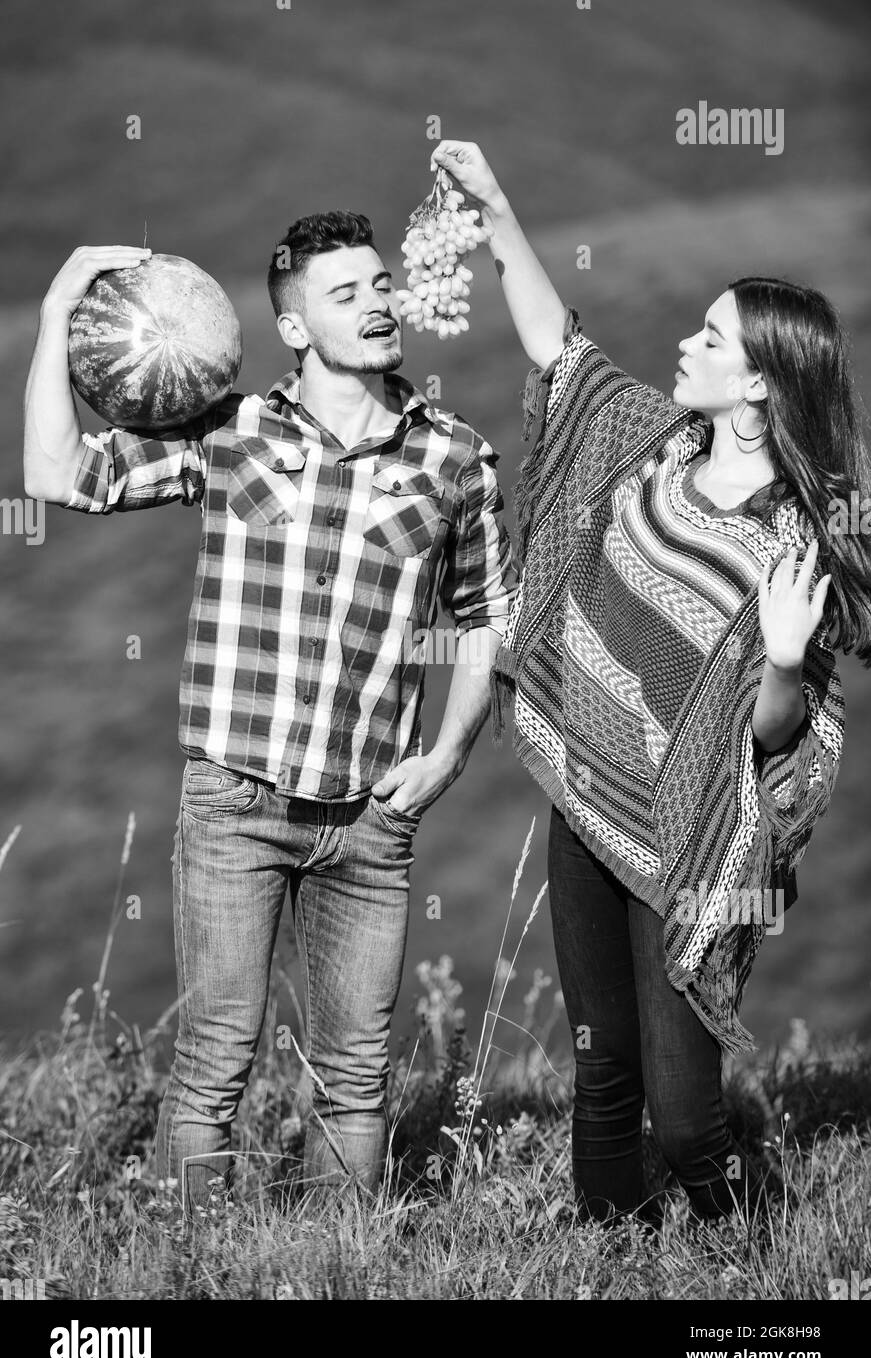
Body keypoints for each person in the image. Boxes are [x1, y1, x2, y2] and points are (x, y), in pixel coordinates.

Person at [23, 213, 517, 1214]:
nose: (378, 304)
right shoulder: (231, 434)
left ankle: (337, 1275)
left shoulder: (455, 457)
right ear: (292, 328)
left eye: (382, 285)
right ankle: (198, 1264)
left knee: (357, 1079)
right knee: (211, 1069)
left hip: (367, 825)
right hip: (232, 806)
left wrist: (447, 754)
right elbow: (55, 475)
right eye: (346, 294)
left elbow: (487, 620)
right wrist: (52, 310)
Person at [432, 140, 869, 1225]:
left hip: (691, 851)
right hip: (588, 803)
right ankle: (607, 1258)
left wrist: (775, 654)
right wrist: (493, 209)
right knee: (599, 1072)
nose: (687, 340)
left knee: (683, 1117)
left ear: (760, 381)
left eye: (710, 336)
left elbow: (773, 744)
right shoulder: (654, 445)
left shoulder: (792, 546)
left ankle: (746, 1263)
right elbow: (559, 353)